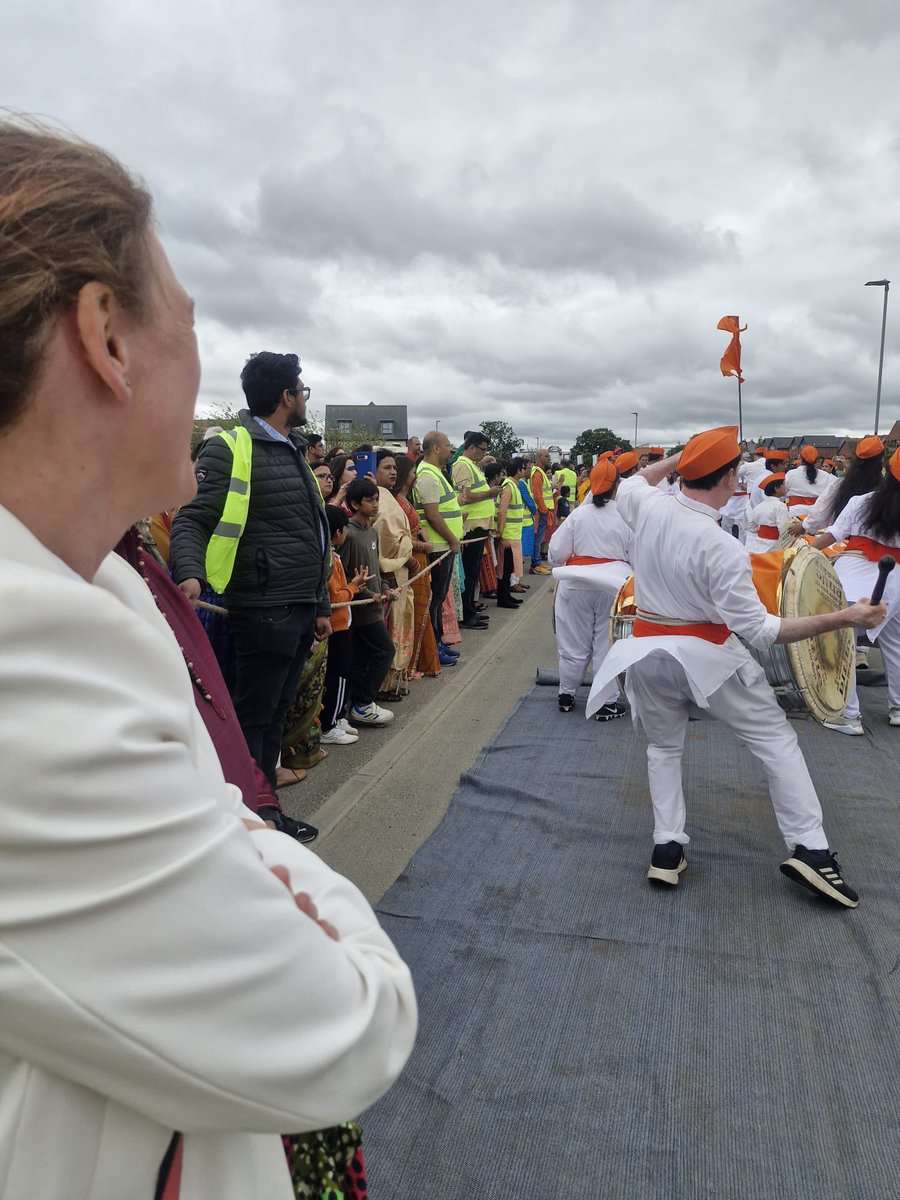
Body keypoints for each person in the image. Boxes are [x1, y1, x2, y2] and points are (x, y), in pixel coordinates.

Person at [0, 118, 415, 1199]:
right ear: (108, 337)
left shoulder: (89, 589)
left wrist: (228, 837)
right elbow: (341, 1027)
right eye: (187, 318)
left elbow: (212, 819)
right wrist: (256, 852)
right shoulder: (30, 646)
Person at [587, 427, 885, 908]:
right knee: (775, 741)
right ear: (730, 477)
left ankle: (667, 848)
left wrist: (682, 458)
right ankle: (811, 849)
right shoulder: (721, 547)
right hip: (707, 659)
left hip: (644, 653)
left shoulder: (646, 505)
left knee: (664, 748)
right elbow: (762, 632)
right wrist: (847, 617)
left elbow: (637, 479)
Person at [170, 352, 331, 790]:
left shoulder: (293, 450)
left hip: (296, 608)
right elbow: (191, 518)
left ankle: (265, 812)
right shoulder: (231, 448)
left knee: (275, 713)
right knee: (253, 719)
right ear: (285, 397)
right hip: (263, 609)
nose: (304, 399)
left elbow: (311, 533)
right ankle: (251, 816)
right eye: (302, 391)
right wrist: (190, 572)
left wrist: (319, 603)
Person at [813, 448, 900, 734]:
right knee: (896, 644)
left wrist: (798, 552)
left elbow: (832, 536)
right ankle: (898, 707)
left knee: (841, 645)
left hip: (852, 583)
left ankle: (848, 715)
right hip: (896, 587)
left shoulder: (861, 502)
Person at [549, 458, 633, 717]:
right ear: (617, 485)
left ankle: (566, 693)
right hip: (612, 587)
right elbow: (637, 555)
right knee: (606, 644)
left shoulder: (578, 515)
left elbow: (555, 553)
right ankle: (605, 701)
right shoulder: (627, 517)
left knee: (572, 642)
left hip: (576, 584)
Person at [339, 478, 397, 726]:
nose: (375, 504)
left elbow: (376, 568)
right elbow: (345, 577)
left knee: (364, 657)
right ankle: (362, 703)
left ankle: (358, 703)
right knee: (385, 650)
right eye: (369, 500)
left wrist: (385, 589)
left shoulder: (372, 531)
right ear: (354, 503)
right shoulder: (348, 534)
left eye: (376, 499)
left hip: (375, 605)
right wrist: (367, 595)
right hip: (359, 610)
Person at [414, 430, 464, 653]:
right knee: (435, 599)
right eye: (447, 445)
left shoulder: (434, 472)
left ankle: (438, 643)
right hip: (438, 547)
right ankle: (434, 646)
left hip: (444, 545)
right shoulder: (427, 474)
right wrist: (453, 539)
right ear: (435, 448)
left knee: (440, 597)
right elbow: (432, 515)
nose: (450, 449)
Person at [394, 455, 444, 673]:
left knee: (422, 609)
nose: (415, 476)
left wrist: (422, 534)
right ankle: (412, 663)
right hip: (412, 559)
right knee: (414, 611)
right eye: (413, 472)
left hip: (420, 557)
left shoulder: (406, 499)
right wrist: (424, 546)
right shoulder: (395, 502)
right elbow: (400, 538)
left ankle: (425, 660)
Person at [373, 449, 416, 699]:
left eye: (394, 468)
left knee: (401, 623)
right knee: (388, 628)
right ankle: (381, 685)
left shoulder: (388, 495)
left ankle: (391, 681)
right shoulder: (374, 497)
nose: (392, 472)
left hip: (402, 568)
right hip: (387, 571)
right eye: (386, 468)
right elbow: (379, 535)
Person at [320, 505, 364, 745]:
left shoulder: (330, 556)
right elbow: (336, 599)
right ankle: (330, 725)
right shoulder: (331, 560)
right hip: (336, 626)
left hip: (339, 625)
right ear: (337, 532)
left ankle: (337, 717)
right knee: (339, 675)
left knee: (339, 674)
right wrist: (354, 586)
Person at [452, 431, 497, 628]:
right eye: (482, 449)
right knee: (470, 572)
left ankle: (469, 608)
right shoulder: (462, 465)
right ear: (471, 447)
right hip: (471, 525)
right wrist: (490, 493)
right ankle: (466, 614)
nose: (483, 453)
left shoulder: (472, 466)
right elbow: (467, 496)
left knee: (473, 571)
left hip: (479, 524)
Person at [796, 435, 883, 536]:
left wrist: (805, 525)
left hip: (842, 543)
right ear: (881, 460)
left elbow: (820, 513)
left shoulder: (841, 484)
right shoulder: (887, 490)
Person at [496, 459, 527, 608]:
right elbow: (502, 511)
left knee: (509, 569)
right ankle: (503, 598)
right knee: (505, 568)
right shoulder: (509, 487)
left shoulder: (514, 486)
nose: (525, 471)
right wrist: (500, 532)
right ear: (519, 470)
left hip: (513, 534)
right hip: (508, 535)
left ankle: (506, 595)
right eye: (524, 468)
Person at [744, 473, 792, 552]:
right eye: (783, 484)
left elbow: (751, 527)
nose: (785, 487)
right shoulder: (780, 506)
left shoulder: (758, 507)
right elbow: (783, 529)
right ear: (777, 488)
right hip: (774, 547)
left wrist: (764, 529)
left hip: (757, 545)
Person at [529, 448, 554, 573]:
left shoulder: (539, 472)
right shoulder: (538, 473)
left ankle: (537, 562)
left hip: (543, 510)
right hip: (541, 511)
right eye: (546, 456)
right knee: (538, 539)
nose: (549, 459)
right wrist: (544, 510)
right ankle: (536, 564)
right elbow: (537, 494)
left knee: (539, 538)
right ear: (539, 457)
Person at [784, 444, 831, 509]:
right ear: (817, 460)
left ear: (801, 458)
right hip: (817, 514)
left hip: (794, 514)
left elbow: (782, 493)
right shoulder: (826, 476)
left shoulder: (791, 474)